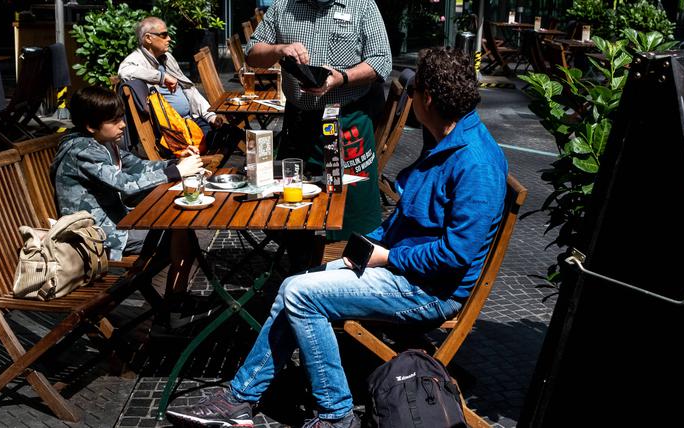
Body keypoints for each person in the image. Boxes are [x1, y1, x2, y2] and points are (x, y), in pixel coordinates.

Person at [167, 48, 508, 428]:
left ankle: (334, 414)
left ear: (427, 98)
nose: (409, 99)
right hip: (405, 270)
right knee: (297, 285)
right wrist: (366, 249)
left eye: (412, 92)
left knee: (301, 293)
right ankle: (240, 398)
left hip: (428, 291)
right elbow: (410, 222)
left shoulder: (475, 161)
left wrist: (386, 258)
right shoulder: (445, 138)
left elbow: (456, 254)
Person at [244, 0, 391, 241]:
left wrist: (341, 78)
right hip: (299, 122)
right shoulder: (284, 6)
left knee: (353, 209)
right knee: (285, 205)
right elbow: (251, 54)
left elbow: (382, 61)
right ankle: (301, 264)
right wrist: (279, 50)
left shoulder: (362, 5)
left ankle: (354, 267)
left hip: (347, 120)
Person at [52, 85, 204, 261]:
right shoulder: (83, 150)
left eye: (121, 118)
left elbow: (137, 165)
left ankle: (176, 288)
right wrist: (176, 172)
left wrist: (175, 162)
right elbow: (125, 185)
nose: (123, 125)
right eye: (114, 121)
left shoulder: (102, 142)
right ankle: (176, 289)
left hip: (117, 220)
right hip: (96, 233)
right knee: (179, 231)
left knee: (181, 227)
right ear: (91, 126)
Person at [119, 16, 224, 135]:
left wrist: (210, 116)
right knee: (222, 138)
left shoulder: (167, 58)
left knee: (231, 133)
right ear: (148, 38)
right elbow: (124, 71)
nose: (169, 38)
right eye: (164, 35)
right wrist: (161, 77)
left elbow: (188, 89)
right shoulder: (136, 60)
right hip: (174, 130)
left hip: (191, 119)